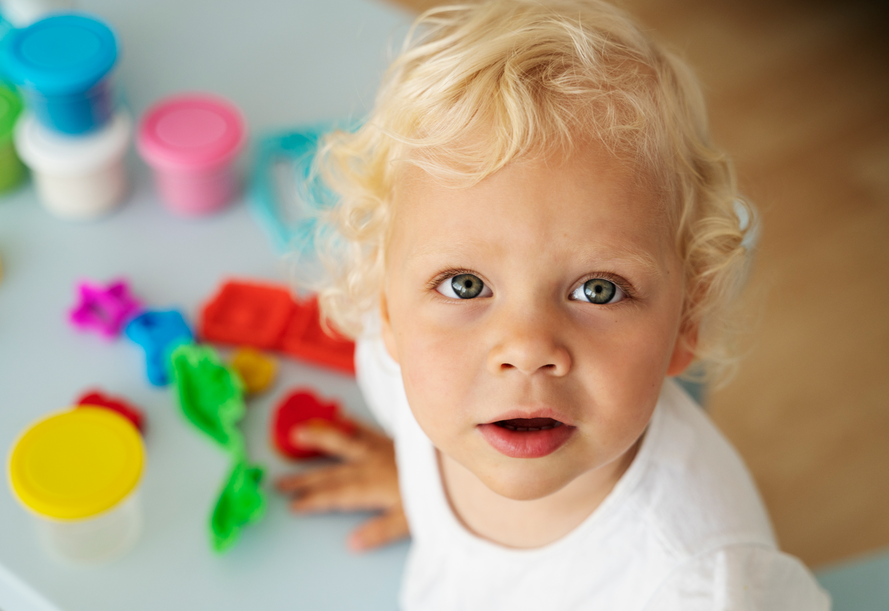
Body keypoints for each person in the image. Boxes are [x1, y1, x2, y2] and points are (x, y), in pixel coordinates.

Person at [277, 0, 831, 608]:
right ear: (388, 309)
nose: (527, 349)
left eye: (598, 289)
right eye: (465, 285)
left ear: (687, 321)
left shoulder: (701, 585)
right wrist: (417, 483)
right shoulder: (399, 371)